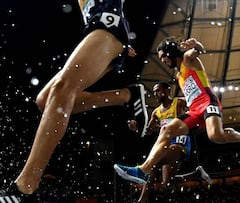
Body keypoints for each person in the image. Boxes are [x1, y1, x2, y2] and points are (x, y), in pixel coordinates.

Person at [0, 0, 148, 201]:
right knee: (45, 101)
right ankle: (125, 96)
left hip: (108, 26)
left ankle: (25, 186)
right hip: (99, 29)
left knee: (62, 90)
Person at [114, 37, 240, 185]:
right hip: (194, 109)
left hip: (208, 102)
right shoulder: (178, 75)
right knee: (166, 130)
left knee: (216, 136)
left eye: (163, 57)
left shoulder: (188, 60)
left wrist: (196, 45)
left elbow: (198, 50)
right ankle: (143, 170)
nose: (162, 61)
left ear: (170, 52)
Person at [115, 81, 211, 203]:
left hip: (180, 144)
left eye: (159, 90)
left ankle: (142, 200)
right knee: (167, 183)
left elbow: (197, 108)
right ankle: (196, 174)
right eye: (154, 91)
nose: (156, 93)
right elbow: (149, 130)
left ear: (167, 91)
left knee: (153, 165)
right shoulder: (156, 112)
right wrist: (137, 126)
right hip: (165, 146)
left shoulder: (179, 102)